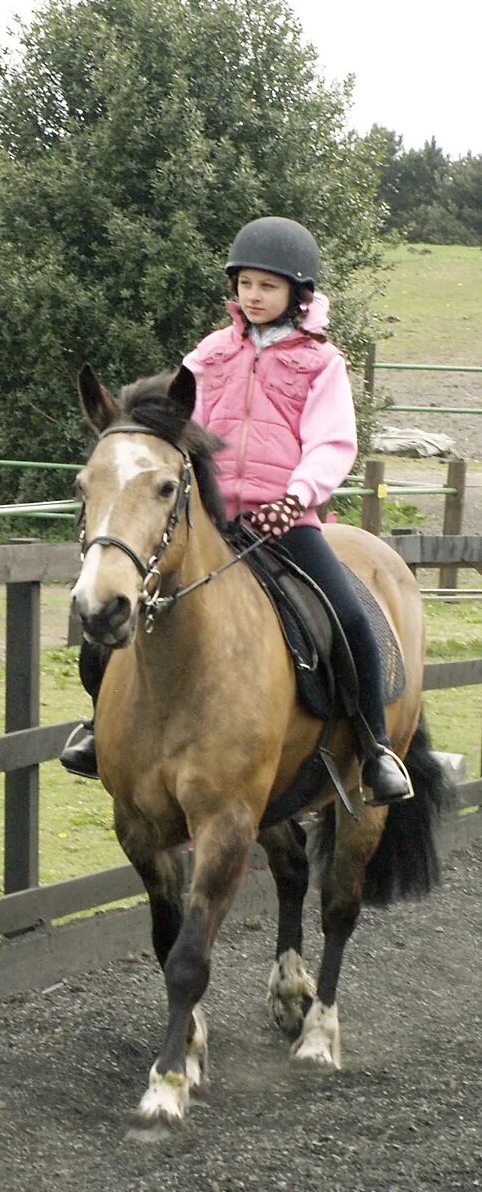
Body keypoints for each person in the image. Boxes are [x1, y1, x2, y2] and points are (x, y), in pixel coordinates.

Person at [60, 215, 414, 806]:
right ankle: (102, 728)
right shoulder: (208, 355)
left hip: (285, 521)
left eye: (267, 287)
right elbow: (173, 423)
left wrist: (298, 497)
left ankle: (376, 748)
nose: (253, 296)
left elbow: (332, 443)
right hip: (211, 517)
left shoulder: (321, 364)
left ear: (296, 296)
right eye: (246, 284)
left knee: (350, 619)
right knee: (115, 611)